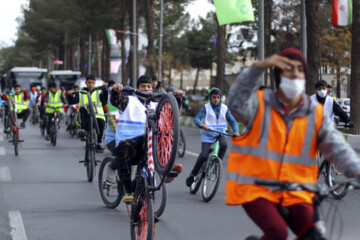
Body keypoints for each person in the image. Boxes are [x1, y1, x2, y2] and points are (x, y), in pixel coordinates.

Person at [225, 48, 360, 240]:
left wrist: (356, 170)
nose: (295, 74)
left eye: (300, 69)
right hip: (257, 188)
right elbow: (235, 102)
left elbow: (337, 148)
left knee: (314, 235)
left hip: (297, 190)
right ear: (279, 75)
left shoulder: (315, 113)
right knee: (277, 232)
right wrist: (257, 67)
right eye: (289, 69)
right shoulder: (258, 105)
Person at [106, 75, 185, 204]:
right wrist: (116, 91)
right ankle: (128, 191)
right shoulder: (128, 100)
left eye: (149, 87)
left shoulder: (157, 104)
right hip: (130, 143)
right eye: (143, 86)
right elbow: (116, 101)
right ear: (137, 88)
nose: (146, 89)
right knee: (124, 149)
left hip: (148, 143)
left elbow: (172, 114)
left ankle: (166, 170)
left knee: (163, 138)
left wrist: (178, 99)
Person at [185, 88, 240, 187]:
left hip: (220, 133)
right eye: (214, 97)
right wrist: (201, 125)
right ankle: (193, 175)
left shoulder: (224, 108)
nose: (216, 99)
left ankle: (216, 166)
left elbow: (233, 121)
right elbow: (197, 118)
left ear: (220, 98)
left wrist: (236, 131)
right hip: (208, 135)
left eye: (218, 97)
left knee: (224, 145)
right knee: (204, 155)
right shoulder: (206, 107)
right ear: (210, 97)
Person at [67, 75, 108, 152]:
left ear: (95, 83)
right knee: (85, 124)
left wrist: (105, 90)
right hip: (85, 116)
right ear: (86, 83)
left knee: (102, 125)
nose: (91, 84)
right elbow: (72, 101)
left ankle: (98, 143)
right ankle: (83, 132)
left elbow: (104, 99)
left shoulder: (98, 92)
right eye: (89, 82)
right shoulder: (81, 93)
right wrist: (69, 95)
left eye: (92, 83)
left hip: (98, 115)